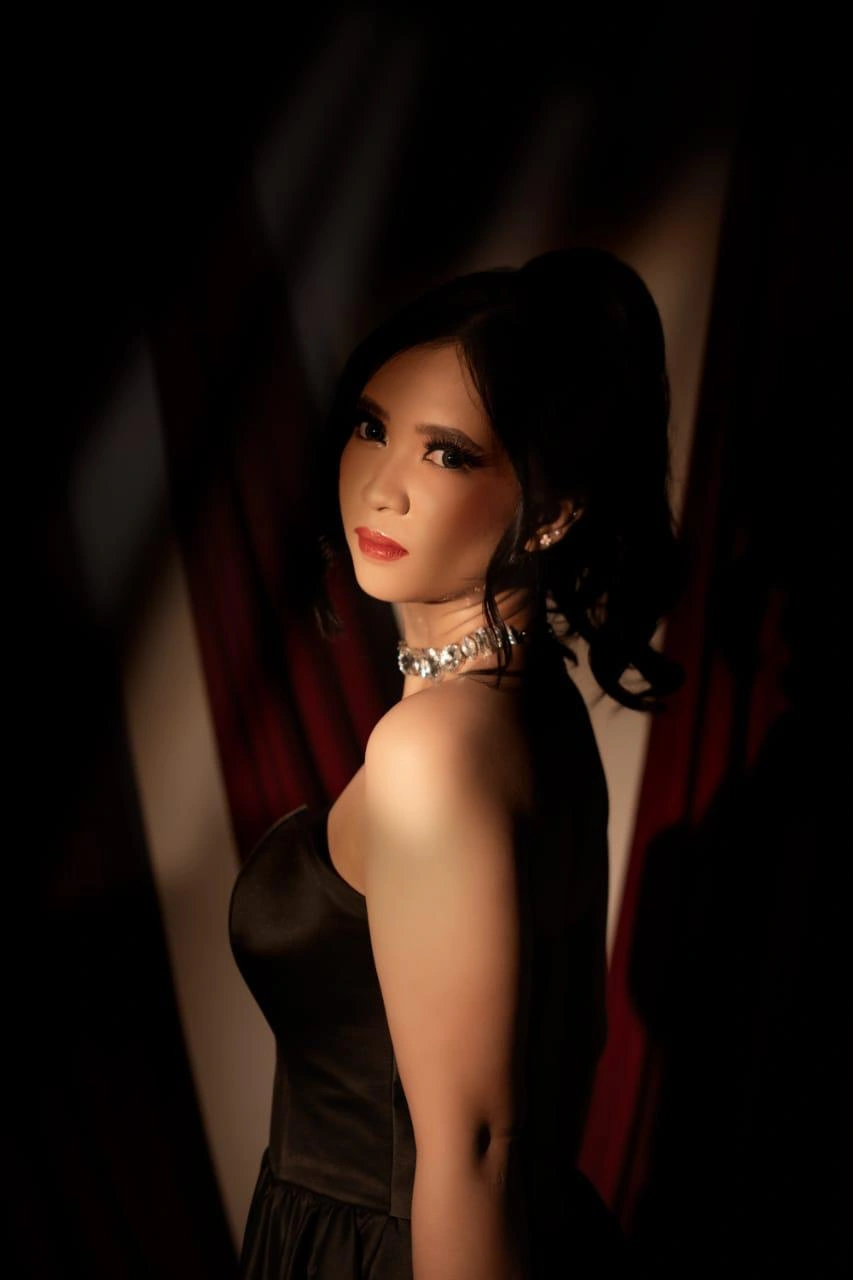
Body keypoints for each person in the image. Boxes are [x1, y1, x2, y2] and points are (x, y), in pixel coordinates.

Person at [229, 246, 685, 1278]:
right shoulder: (528, 702)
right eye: (371, 427)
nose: (380, 488)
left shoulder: (434, 747)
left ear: (553, 510)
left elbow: (473, 1154)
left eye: (446, 454)